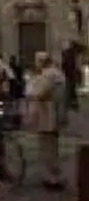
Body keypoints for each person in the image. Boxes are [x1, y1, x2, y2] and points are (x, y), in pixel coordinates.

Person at [26, 52, 67, 190]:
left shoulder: (48, 75)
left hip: (47, 115)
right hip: (55, 114)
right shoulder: (58, 73)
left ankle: (52, 178)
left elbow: (39, 93)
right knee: (52, 146)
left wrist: (30, 89)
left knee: (47, 147)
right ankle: (54, 175)